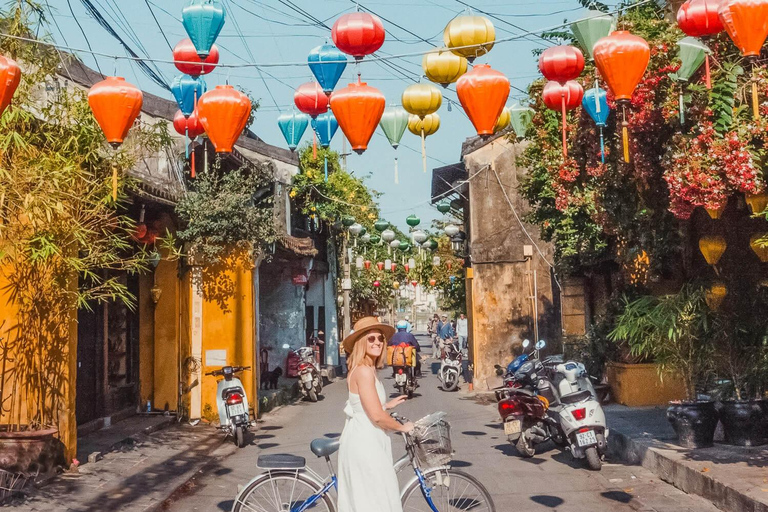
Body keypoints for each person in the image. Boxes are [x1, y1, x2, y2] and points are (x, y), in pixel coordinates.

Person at [337, 317, 414, 512]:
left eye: (380, 338)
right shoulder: (363, 371)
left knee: (372, 499)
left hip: (367, 438)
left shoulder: (368, 368)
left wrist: (385, 404)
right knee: (373, 501)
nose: (378, 342)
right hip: (365, 443)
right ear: (361, 342)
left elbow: (361, 404)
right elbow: (376, 417)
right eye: (371, 339)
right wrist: (402, 427)